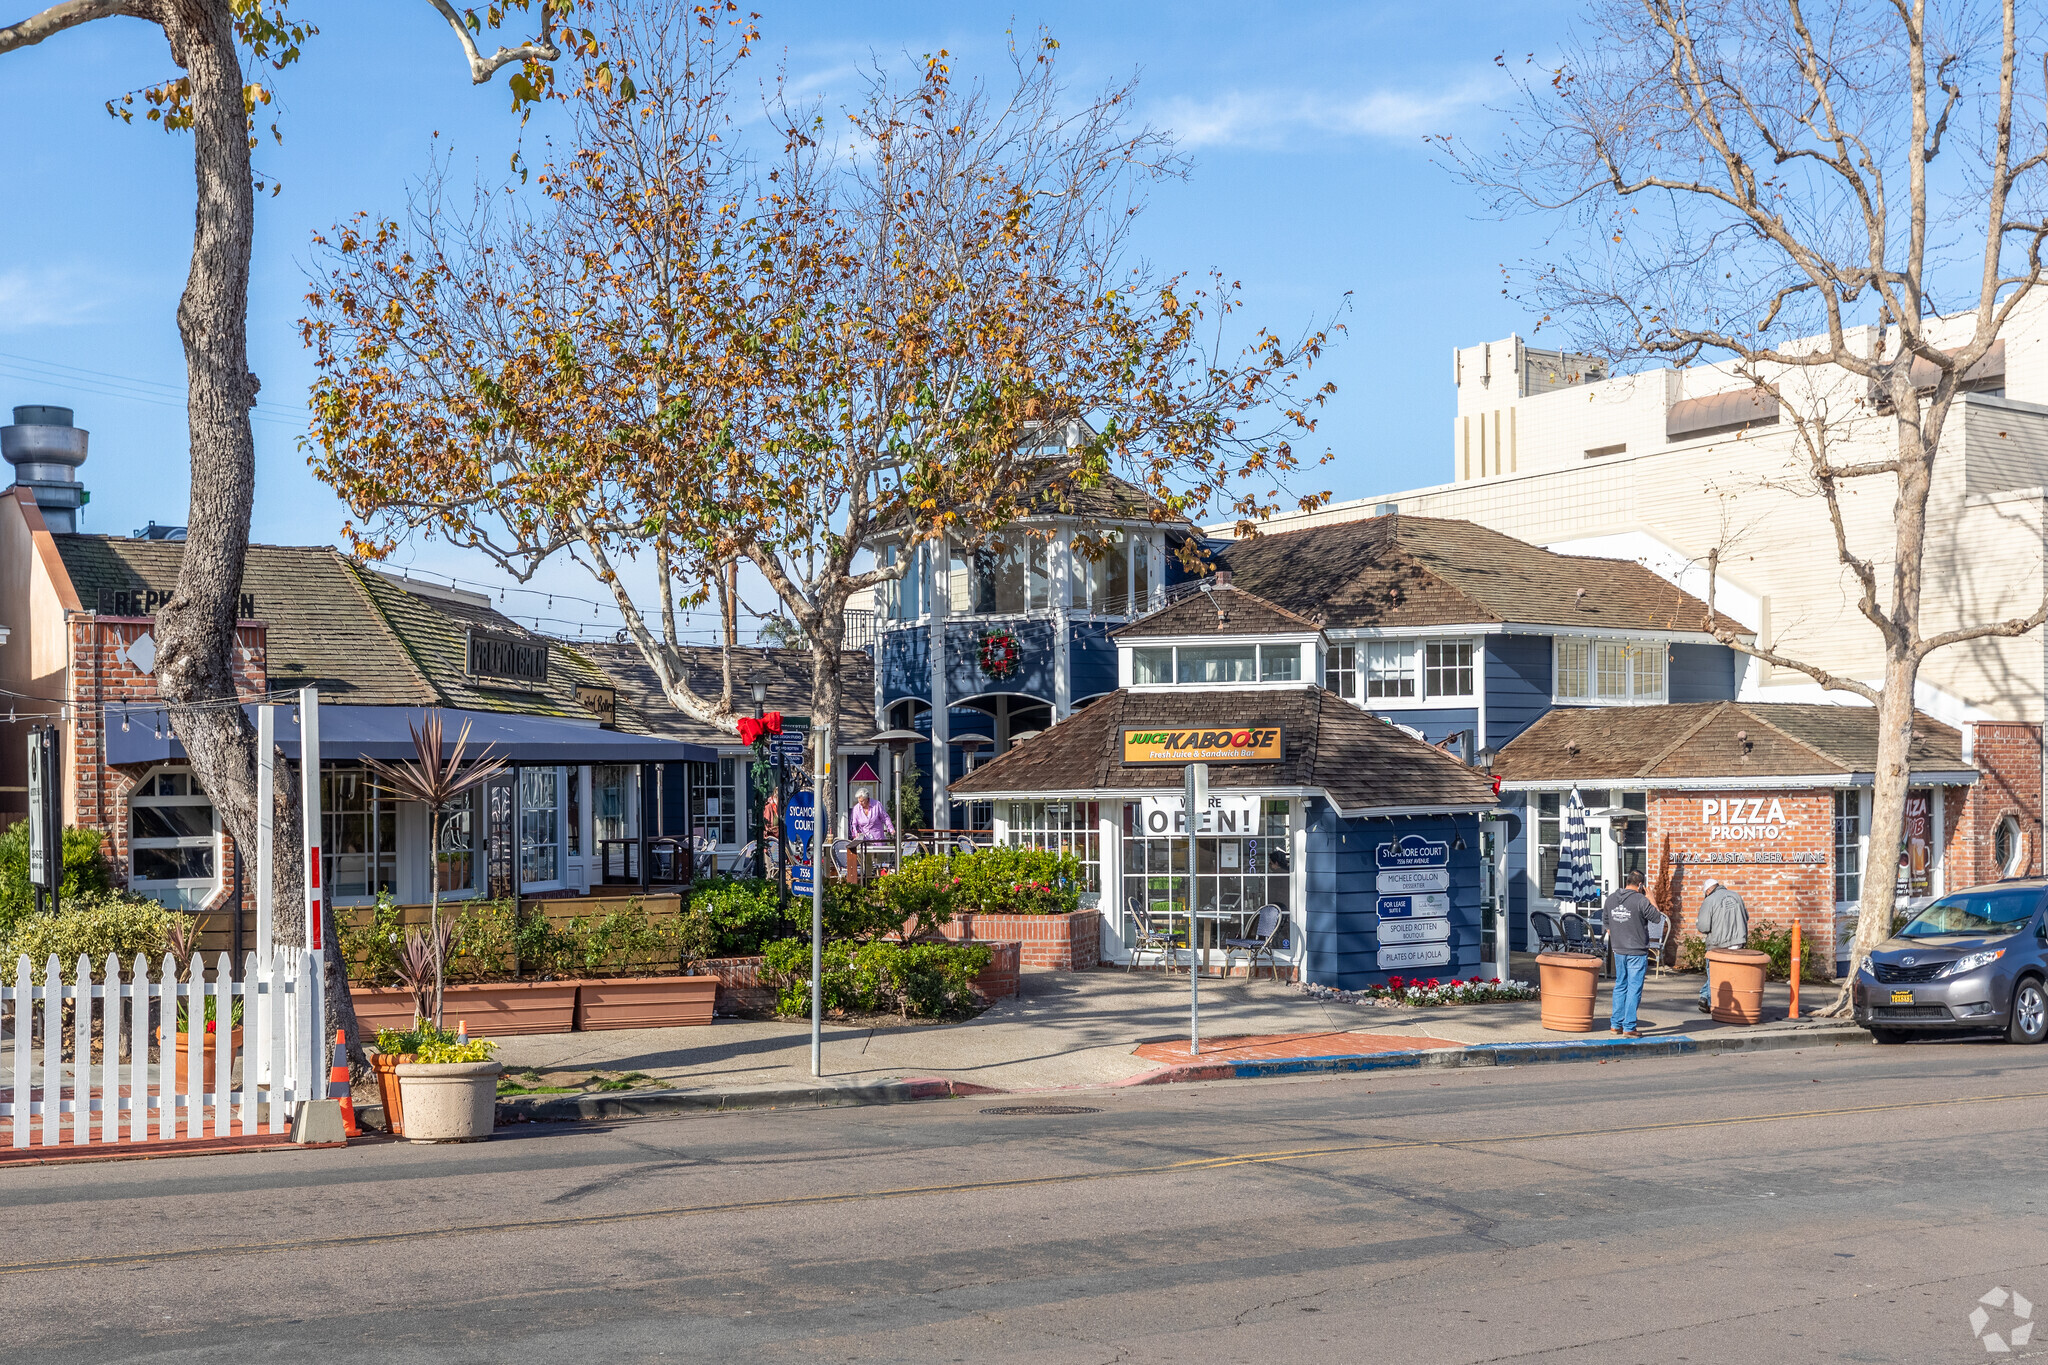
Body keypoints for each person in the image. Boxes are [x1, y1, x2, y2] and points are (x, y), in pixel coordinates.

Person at [1601, 870, 1665, 1037]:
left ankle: (1615, 1025)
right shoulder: (1641, 900)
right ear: (1641, 885)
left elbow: (1606, 923)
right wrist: (1651, 898)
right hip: (1636, 950)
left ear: (1626, 881)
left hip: (1618, 949)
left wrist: (1617, 933)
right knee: (1634, 988)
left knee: (1620, 985)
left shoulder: (1611, 899)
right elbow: (1657, 918)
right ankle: (1629, 1027)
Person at [1694, 876, 1750, 1013]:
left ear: (1707, 891)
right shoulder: (1736, 896)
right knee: (1730, 974)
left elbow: (1703, 926)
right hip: (1738, 943)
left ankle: (1708, 998)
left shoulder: (1709, 900)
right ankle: (1706, 998)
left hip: (1717, 945)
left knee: (1714, 974)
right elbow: (1746, 917)